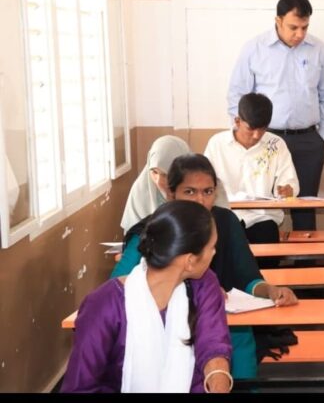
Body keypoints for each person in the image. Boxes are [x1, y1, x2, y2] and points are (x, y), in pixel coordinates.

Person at [112, 153, 298, 381]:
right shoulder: (153, 229)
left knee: (240, 347)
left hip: (227, 324)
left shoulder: (226, 222)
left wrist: (269, 291)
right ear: (171, 194)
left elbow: (247, 276)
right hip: (163, 327)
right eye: (190, 192)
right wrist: (198, 294)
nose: (200, 201)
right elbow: (118, 287)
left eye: (207, 192)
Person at [61, 201, 232, 393]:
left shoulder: (204, 284)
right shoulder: (104, 305)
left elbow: (213, 344)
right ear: (190, 261)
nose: (215, 252)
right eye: (212, 247)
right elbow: (80, 386)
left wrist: (218, 383)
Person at [227, 0, 324, 231]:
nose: (299, 34)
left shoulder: (318, 49)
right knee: (261, 207)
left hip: (308, 141)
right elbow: (237, 95)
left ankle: (306, 255)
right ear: (278, 21)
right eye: (293, 27)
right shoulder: (254, 49)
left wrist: (323, 136)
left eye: (305, 28)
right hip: (265, 139)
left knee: (305, 206)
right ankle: (263, 252)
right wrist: (245, 136)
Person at [205, 93, 300, 244]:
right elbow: (205, 181)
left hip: (262, 216)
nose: (256, 135)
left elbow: (289, 181)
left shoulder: (276, 144)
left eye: (262, 129)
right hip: (226, 214)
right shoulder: (217, 144)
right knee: (218, 240)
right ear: (237, 121)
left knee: (267, 237)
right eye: (251, 129)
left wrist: (287, 190)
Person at [121, 135, 228, 233]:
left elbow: (224, 230)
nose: (158, 181)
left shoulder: (209, 185)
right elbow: (131, 236)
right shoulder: (140, 190)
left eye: (166, 174)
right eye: (154, 172)